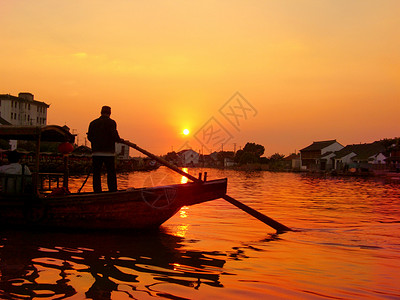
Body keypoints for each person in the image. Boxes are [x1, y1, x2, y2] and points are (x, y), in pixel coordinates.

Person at [87, 106, 123, 192]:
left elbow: (89, 137)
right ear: (110, 113)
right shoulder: (111, 123)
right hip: (109, 153)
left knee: (96, 173)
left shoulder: (93, 123)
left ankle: (97, 191)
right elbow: (114, 135)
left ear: (101, 112)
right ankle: (112, 190)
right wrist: (119, 140)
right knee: (111, 173)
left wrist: (96, 143)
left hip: (96, 153)